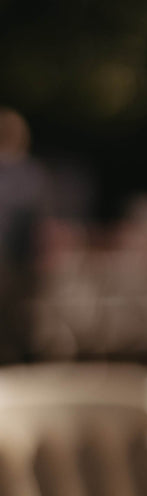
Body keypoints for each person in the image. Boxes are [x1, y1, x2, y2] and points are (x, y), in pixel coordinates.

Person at [0, 108, 49, 362]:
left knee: (16, 326)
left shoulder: (29, 174)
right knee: (17, 326)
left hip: (17, 266)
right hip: (18, 267)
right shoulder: (31, 175)